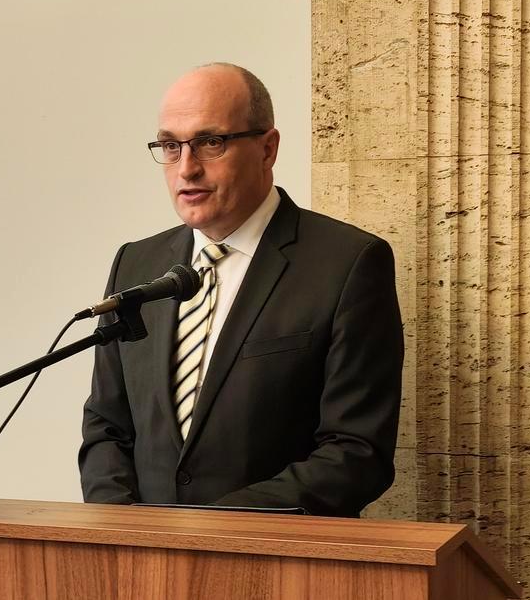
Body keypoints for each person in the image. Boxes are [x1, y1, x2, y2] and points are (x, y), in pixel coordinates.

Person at [78, 63, 403, 516]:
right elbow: (106, 424)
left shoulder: (348, 263)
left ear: (267, 148)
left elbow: (356, 450)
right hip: (142, 553)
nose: (186, 169)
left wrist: (216, 530)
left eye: (211, 142)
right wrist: (124, 528)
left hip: (272, 552)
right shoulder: (135, 263)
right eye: (171, 146)